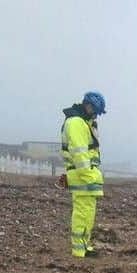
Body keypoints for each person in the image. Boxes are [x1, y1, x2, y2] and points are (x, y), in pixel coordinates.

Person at [60, 91, 106, 258]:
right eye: (96, 111)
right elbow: (79, 153)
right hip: (83, 177)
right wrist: (89, 175)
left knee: (88, 213)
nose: (96, 116)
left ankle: (85, 246)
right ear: (89, 106)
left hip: (87, 177)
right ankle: (79, 250)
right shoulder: (76, 123)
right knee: (82, 213)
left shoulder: (84, 123)